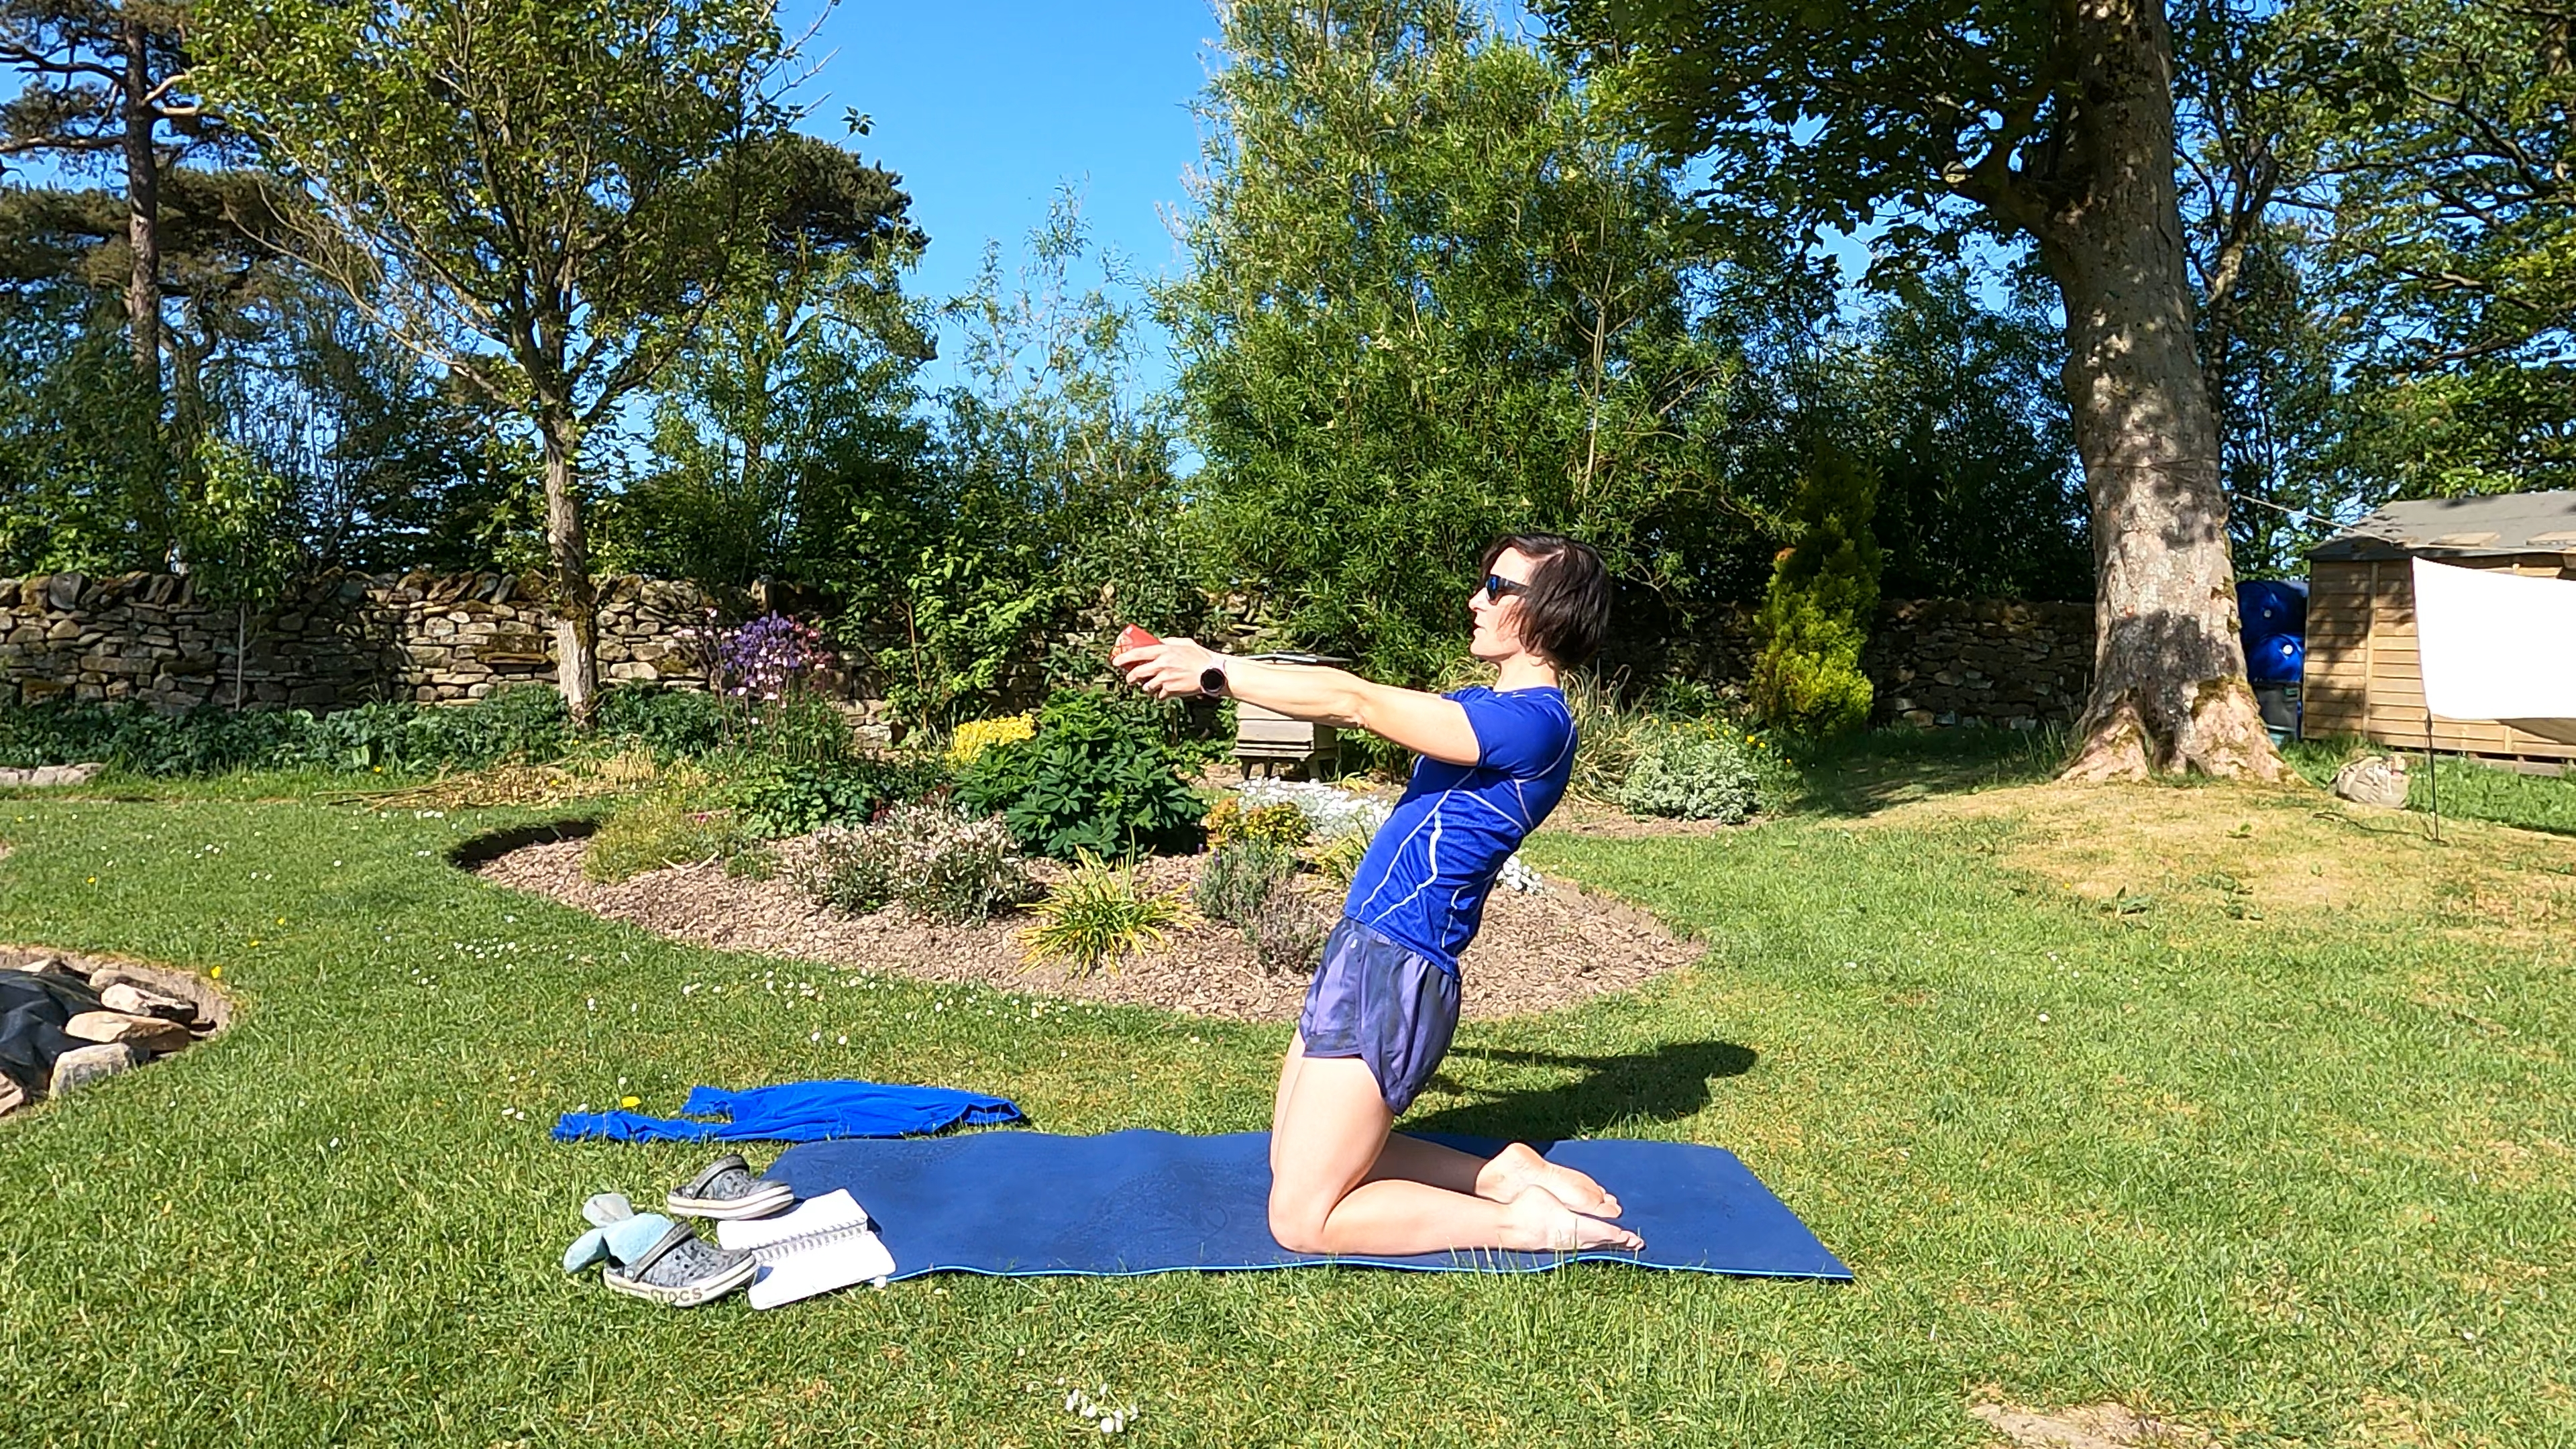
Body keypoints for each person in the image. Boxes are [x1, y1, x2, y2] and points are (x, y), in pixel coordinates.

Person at [1114, 533, 1644, 1255]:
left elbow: (1352, 699)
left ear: (1547, 611)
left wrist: (1214, 668)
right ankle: (1498, 1174)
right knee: (1287, 1163)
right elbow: (1343, 700)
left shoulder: (1535, 727)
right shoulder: (1479, 709)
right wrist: (1214, 667)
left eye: (1496, 589)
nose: (1475, 601)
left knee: (1302, 1221)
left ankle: (1520, 1224)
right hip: (1364, 943)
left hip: (1400, 966)